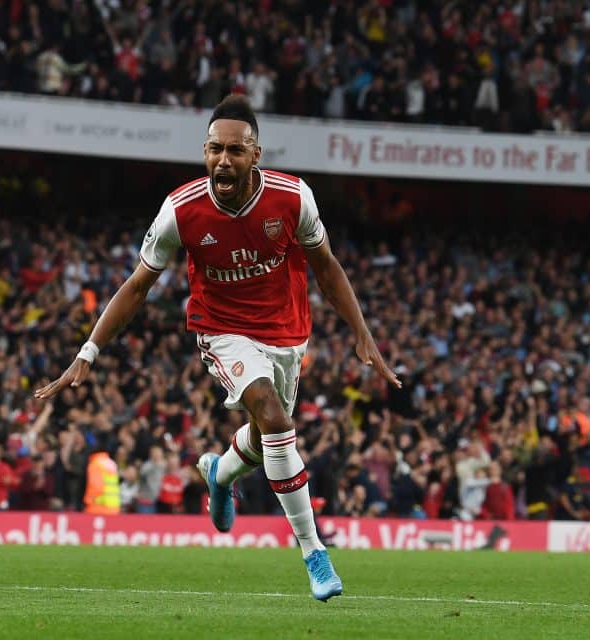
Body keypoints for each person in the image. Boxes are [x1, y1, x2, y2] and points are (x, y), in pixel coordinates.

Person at [36, 95, 400, 601]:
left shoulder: (293, 198)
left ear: (256, 155)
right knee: (275, 420)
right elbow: (138, 286)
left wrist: (361, 331)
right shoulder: (181, 210)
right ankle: (314, 553)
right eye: (214, 149)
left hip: (287, 332)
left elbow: (326, 266)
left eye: (235, 150)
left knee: (266, 439)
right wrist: (88, 351)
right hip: (222, 330)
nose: (223, 160)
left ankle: (219, 472)